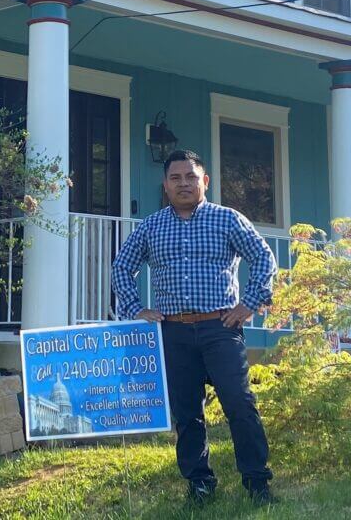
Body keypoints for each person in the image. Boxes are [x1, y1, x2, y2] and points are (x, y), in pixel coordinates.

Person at [111, 149, 277, 506]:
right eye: (176, 178)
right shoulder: (151, 227)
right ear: (166, 185)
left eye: (191, 177)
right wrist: (136, 308)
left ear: (205, 181)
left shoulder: (228, 219)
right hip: (173, 332)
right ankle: (199, 483)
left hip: (220, 327)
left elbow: (263, 257)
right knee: (186, 412)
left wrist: (250, 303)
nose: (183, 183)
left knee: (239, 402)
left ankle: (257, 481)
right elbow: (122, 268)